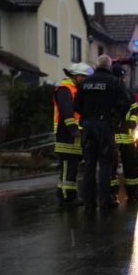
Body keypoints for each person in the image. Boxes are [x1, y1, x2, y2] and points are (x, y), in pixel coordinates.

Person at [74, 55, 128, 210]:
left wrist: (88, 115)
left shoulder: (85, 83)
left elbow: (76, 106)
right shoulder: (115, 82)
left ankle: (89, 201)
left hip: (88, 126)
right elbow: (125, 103)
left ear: (96, 66)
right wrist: (115, 118)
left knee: (89, 164)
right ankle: (105, 199)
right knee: (105, 163)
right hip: (105, 127)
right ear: (109, 67)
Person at [53, 62, 93, 207]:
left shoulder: (75, 89)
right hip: (66, 134)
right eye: (85, 77)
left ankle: (62, 192)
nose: (87, 81)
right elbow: (66, 111)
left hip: (73, 134)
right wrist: (73, 129)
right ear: (77, 76)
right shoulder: (65, 89)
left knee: (71, 166)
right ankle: (68, 196)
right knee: (68, 166)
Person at [110, 62, 138, 203]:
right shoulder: (113, 91)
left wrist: (132, 122)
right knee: (119, 166)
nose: (124, 80)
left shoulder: (127, 93)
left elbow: (135, 110)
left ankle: (129, 193)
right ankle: (124, 193)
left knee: (128, 166)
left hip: (123, 135)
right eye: (122, 77)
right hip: (117, 135)